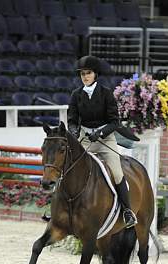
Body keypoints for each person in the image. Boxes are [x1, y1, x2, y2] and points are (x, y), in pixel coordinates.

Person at [67, 55, 137, 229]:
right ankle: (58, 208)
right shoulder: (76, 94)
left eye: (88, 73)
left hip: (105, 138)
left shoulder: (106, 93)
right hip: (84, 138)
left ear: (95, 74)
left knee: (117, 172)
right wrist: (74, 130)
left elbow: (115, 122)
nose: (85, 76)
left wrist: (99, 133)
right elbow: (72, 119)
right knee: (68, 168)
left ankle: (127, 211)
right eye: (82, 74)